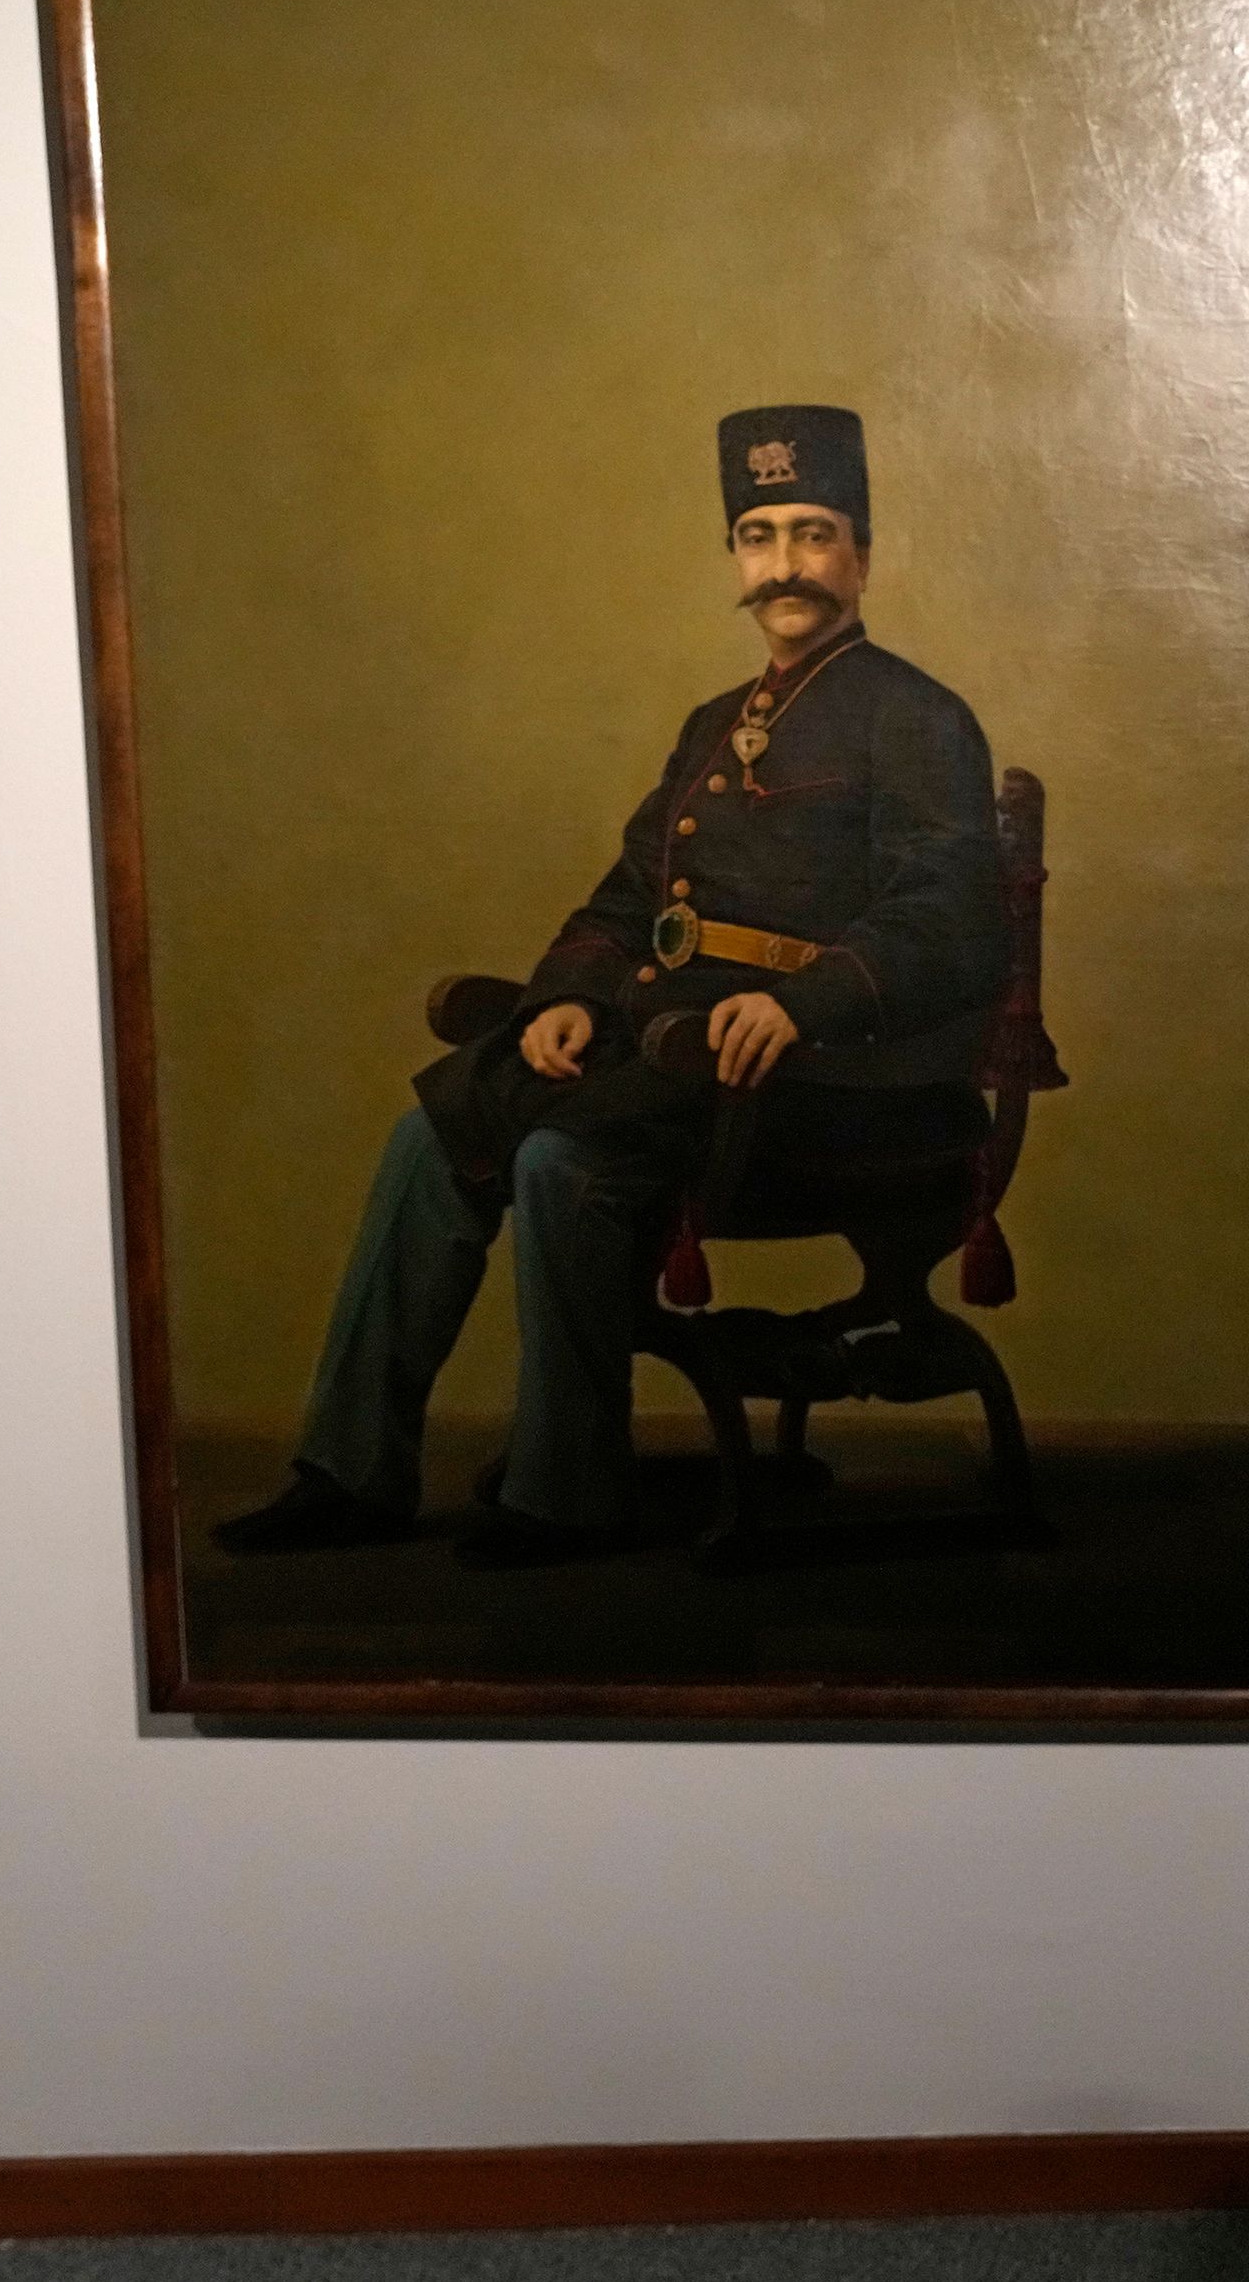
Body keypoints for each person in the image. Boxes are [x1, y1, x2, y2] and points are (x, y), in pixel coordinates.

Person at [213, 405, 1006, 1567]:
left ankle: (566, 1490)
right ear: (738, 559)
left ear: (863, 555)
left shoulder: (917, 715)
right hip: (674, 1051)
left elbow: (951, 921)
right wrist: (565, 1001)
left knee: (559, 1157)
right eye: (759, 534)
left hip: (831, 1076)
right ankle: (350, 1471)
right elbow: (630, 897)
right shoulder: (711, 724)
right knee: (431, 1134)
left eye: (815, 532)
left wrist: (803, 1001)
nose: (785, 563)